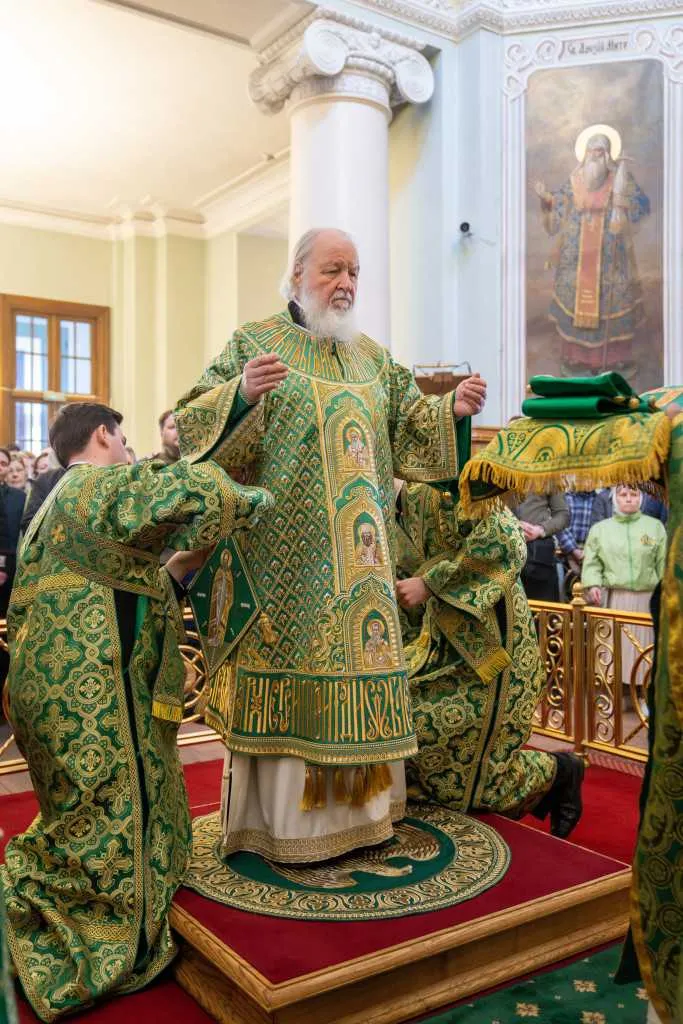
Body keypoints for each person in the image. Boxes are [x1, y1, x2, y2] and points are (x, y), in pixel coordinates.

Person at [175, 226, 486, 863]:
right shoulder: (255, 343)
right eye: (331, 271)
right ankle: (286, 830)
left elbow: (412, 423)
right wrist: (239, 395)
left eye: (353, 272)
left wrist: (451, 407)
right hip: (280, 568)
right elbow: (188, 421)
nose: (345, 284)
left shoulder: (373, 358)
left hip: (363, 570)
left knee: (357, 677)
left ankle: (367, 820)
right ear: (296, 276)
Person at [0, 402, 271, 1022]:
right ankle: (114, 922)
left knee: (77, 812)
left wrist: (178, 569)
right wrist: (260, 492)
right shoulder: (97, 484)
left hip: (47, 691)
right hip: (92, 695)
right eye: (122, 439)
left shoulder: (52, 506)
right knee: (113, 813)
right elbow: (189, 489)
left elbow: (121, 579)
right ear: (103, 435)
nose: (128, 451)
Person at [396, 481, 583, 836]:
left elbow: (508, 542)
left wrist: (432, 583)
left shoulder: (445, 490)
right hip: (434, 647)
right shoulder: (383, 519)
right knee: (420, 737)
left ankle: (560, 773)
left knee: (479, 776)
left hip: (491, 650)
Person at [534, 129, 650, 378]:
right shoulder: (575, 179)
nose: (595, 157)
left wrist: (622, 205)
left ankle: (616, 360)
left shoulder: (620, 178)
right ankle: (577, 361)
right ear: (584, 154)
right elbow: (559, 204)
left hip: (610, 259)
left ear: (608, 155)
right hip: (576, 258)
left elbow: (642, 205)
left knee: (615, 301)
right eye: (591, 151)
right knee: (575, 302)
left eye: (601, 152)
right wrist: (546, 200)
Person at [581, 483, 666, 689]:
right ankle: (613, 694)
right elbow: (592, 562)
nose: (629, 498)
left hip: (646, 599)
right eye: (623, 494)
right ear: (615, 499)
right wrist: (592, 584)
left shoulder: (655, 527)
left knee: (643, 648)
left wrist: (666, 589)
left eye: (634, 494)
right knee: (613, 649)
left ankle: (643, 694)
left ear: (641, 498)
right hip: (615, 599)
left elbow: (663, 562)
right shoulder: (600, 529)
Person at [512, 492, 569, 602]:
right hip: (502, 551)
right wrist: (510, 524)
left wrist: (540, 530)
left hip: (536, 555)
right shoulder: (496, 474)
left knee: (542, 612)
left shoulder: (548, 476)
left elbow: (563, 515)